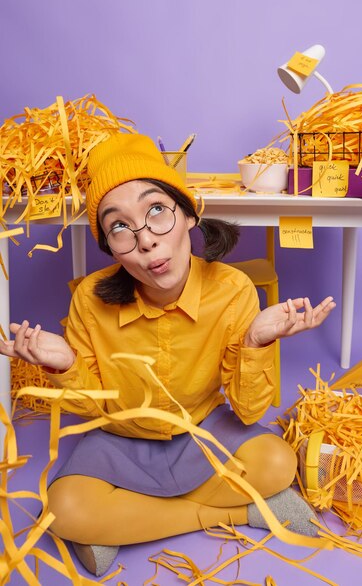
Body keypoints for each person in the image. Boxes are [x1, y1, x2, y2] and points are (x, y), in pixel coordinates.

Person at [0, 133, 336, 577]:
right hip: (120, 440)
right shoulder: (89, 298)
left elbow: (250, 411)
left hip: (203, 432)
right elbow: (89, 406)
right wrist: (64, 366)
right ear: (109, 246)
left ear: (189, 213)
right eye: (120, 226)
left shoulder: (232, 289)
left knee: (276, 462)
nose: (146, 241)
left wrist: (255, 342)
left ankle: (122, 524)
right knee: (64, 509)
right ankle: (238, 514)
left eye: (156, 210)